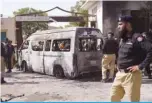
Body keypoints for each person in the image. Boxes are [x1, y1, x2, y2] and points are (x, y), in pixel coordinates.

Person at [110, 16, 152, 102]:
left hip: (131, 76)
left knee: (133, 100)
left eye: (120, 24)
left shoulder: (137, 37)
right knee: (113, 98)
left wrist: (140, 66)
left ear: (128, 24)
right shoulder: (123, 39)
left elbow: (150, 50)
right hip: (119, 75)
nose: (118, 26)